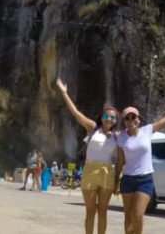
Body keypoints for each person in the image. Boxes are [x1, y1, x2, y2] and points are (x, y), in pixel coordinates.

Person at [115, 99, 165, 234]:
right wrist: (115, 181)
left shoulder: (147, 130)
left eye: (133, 117)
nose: (131, 120)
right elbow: (120, 161)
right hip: (128, 180)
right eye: (127, 118)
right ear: (124, 121)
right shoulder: (121, 138)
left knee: (138, 215)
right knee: (128, 218)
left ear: (138, 119)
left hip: (145, 180)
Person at [57, 78, 119, 234]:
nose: (109, 119)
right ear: (102, 117)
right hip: (90, 170)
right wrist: (65, 93)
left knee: (103, 211)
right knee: (90, 211)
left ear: (116, 120)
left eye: (113, 117)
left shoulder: (118, 136)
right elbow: (76, 114)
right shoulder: (93, 128)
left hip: (107, 173)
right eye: (107, 116)